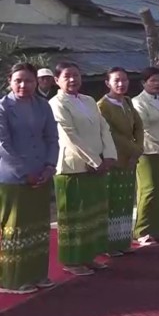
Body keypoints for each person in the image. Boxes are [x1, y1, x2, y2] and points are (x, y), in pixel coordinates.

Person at [49, 61, 117, 276]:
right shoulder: (56, 103)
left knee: (92, 213)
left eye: (76, 75)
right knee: (74, 215)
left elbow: (104, 128)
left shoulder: (88, 101)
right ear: (56, 80)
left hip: (98, 164)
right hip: (73, 166)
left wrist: (108, 156)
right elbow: (69, 136)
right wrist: (94, 161)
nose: (72, 79)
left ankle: (89, 256)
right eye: (67, 76)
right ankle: (72, 260)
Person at [0, 63, 58, 294]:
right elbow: (3, 145)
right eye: (18, 80)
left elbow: (52, 138)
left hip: (41, 174)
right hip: (13, 178)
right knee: (15, 228)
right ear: (10, 81)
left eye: (29, 81)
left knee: (38, 226)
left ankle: (37, 274)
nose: (23, 85)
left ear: (36, 82)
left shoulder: (43, 105)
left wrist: (50, 166)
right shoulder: (3, 107)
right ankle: (12, 279)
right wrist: (25, 173)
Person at [96, 67, 144, 256]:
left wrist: (138, 149)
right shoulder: (102, 106)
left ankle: (123, 241)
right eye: (116, 80)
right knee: (112, 201)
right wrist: (134, 149)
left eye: (124, 80)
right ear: (107, 83)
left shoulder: (127, 101)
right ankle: (109, 245)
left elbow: (138, 126)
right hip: (113, 157)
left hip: (130, 158)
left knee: (126, 201)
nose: (121, 84)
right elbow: (111, 134)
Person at [132, 68, 159, 245]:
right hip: (148, 151)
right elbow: (144, 129)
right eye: (153, 81)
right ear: (144, 83)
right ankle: (141, 230)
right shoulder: (138, 102)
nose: (157, 84)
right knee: (148, 189)